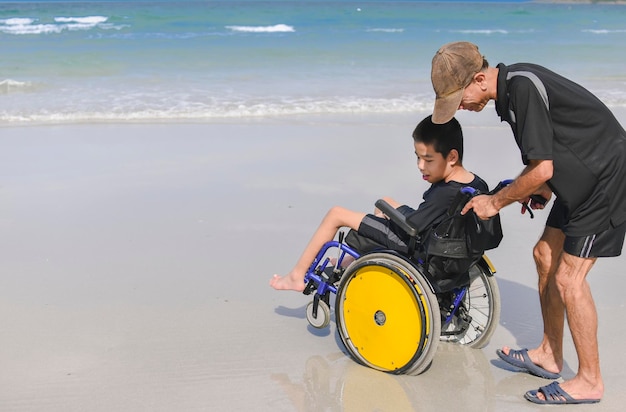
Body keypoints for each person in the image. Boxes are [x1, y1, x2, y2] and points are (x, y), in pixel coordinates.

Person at [430, 41, 626, 405]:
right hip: (580, 176)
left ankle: (589, 380)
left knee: (569, 279)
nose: (461, 109)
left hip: (605, 180)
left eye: (458, 100)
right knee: (544, 256)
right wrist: (540, 188)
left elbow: (543, 168)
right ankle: (550, 355)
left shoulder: (521, 88)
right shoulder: (511, 91)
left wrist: (495, 202)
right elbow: (553, 152)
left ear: (478, 79)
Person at [270, 115, 489, 292]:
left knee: (336, 214)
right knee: (386, 203)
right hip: (447, 244)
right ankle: (345, 263)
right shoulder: (477, 184)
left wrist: (384, 218)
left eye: (428, 160)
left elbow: (412, 227)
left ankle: (297, 277)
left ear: (452, 157)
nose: (421, 166)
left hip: (420, 245)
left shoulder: (444, 193)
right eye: (417, 157)